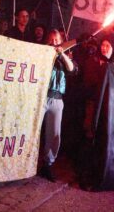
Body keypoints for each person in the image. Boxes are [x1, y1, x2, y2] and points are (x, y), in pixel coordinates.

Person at [40, 29, 77, 182]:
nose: (54, 43)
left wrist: (61, 54)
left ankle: (48, 164)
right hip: (41, 96)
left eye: (56, 40)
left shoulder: (66, 57)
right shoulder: (42, 53)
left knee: (54, 134)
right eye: (51, 39)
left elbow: (72, 69)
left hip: (57, 99)